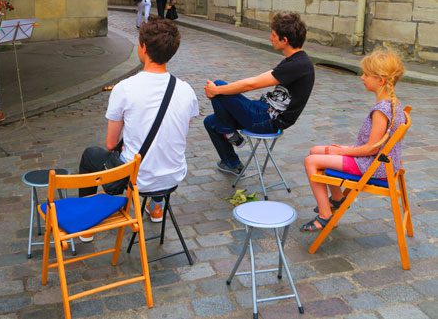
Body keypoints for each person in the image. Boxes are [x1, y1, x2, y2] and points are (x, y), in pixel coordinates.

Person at [77, 19, 198, 239]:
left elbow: (111, 144)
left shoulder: (125, 88)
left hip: (139, 178)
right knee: (159, 145)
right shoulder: (186, 90)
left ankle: (86, 225)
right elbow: (180, 128)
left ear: (143, 48)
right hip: (173, 176)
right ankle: (157, 207)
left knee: (90, 156)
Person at [300, 49, 405, 232]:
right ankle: (338, 199)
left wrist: (341, 151)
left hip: (371, 165)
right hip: (379, 162)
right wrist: (344, 148)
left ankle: (325, 215)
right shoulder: (394, 103)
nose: (362, 77)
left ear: (380, 80)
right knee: (316, 149)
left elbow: (371, 149)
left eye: (366, 74)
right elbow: (374, 146)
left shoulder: (381, 111)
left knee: (311, 161)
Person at [203, 12, 315, 174]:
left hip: (267, 121)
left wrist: (216, 90)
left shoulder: (298, 65)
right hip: (262, 110)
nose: (270, 38)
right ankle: (232, 163)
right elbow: (260, 78)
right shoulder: (295, 61)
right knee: (210, 122)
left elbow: (252, 84)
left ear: (285, 40)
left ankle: (228, 131)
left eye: (274, 35)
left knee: (219, 86)